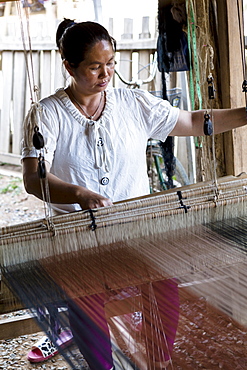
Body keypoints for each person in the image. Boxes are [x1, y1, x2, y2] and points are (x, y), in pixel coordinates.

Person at [21, 19, 247, 370]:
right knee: (85, 297)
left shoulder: (132, 104)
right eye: (95, 66)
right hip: (80, 239)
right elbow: (34, 179)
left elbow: (190, 121)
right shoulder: (46, 114)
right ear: (69, 65)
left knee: (164, 281)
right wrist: (79, 193)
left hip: (135, 232)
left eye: (111, 63)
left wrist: (245, 115)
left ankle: (160, 361)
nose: (106, 73)